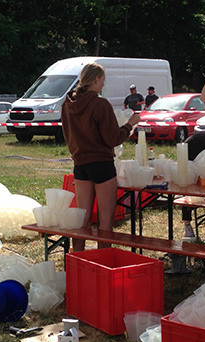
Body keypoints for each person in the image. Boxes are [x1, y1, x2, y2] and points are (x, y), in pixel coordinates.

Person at [61, 63, 141, 251]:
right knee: (105, 221)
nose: (103, 84)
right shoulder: (100, 104)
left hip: (80, 164)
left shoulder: (68, 104)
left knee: (82, 220)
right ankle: (102, 262)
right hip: (102, 164)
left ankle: (78, 259)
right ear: (96, 80)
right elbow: (113, 139)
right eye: (103, 80)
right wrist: (130, 124)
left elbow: (67, 134)